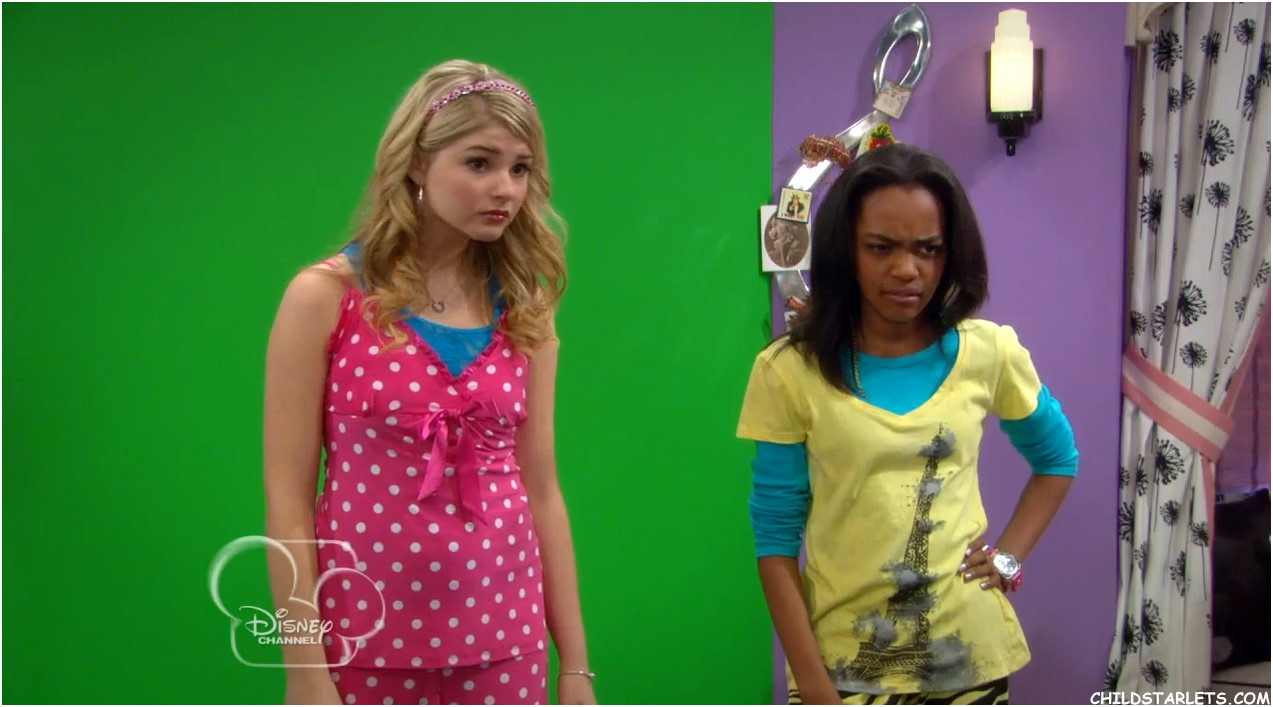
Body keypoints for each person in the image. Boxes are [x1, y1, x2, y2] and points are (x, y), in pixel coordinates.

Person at [263, 59, 596, 706]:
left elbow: (542, 489)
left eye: (519, 168)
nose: (504, 189)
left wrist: (576, 667)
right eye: (479, 163)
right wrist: (303, 671)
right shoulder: (325, 297)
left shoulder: (525, 307)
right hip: (362, 646)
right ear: (417, 162)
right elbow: (288, 497)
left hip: (507, 641)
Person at [737, 143, 1078, 704]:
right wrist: (814, 684)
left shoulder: (988, 351)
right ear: (845, 250)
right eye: (881, 247)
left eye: (928, 249)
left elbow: (1058, 460)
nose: (907, 269)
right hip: (842, 667)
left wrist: (1008, 557)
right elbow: (775, 541)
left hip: (969, 661)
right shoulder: (789, 370)